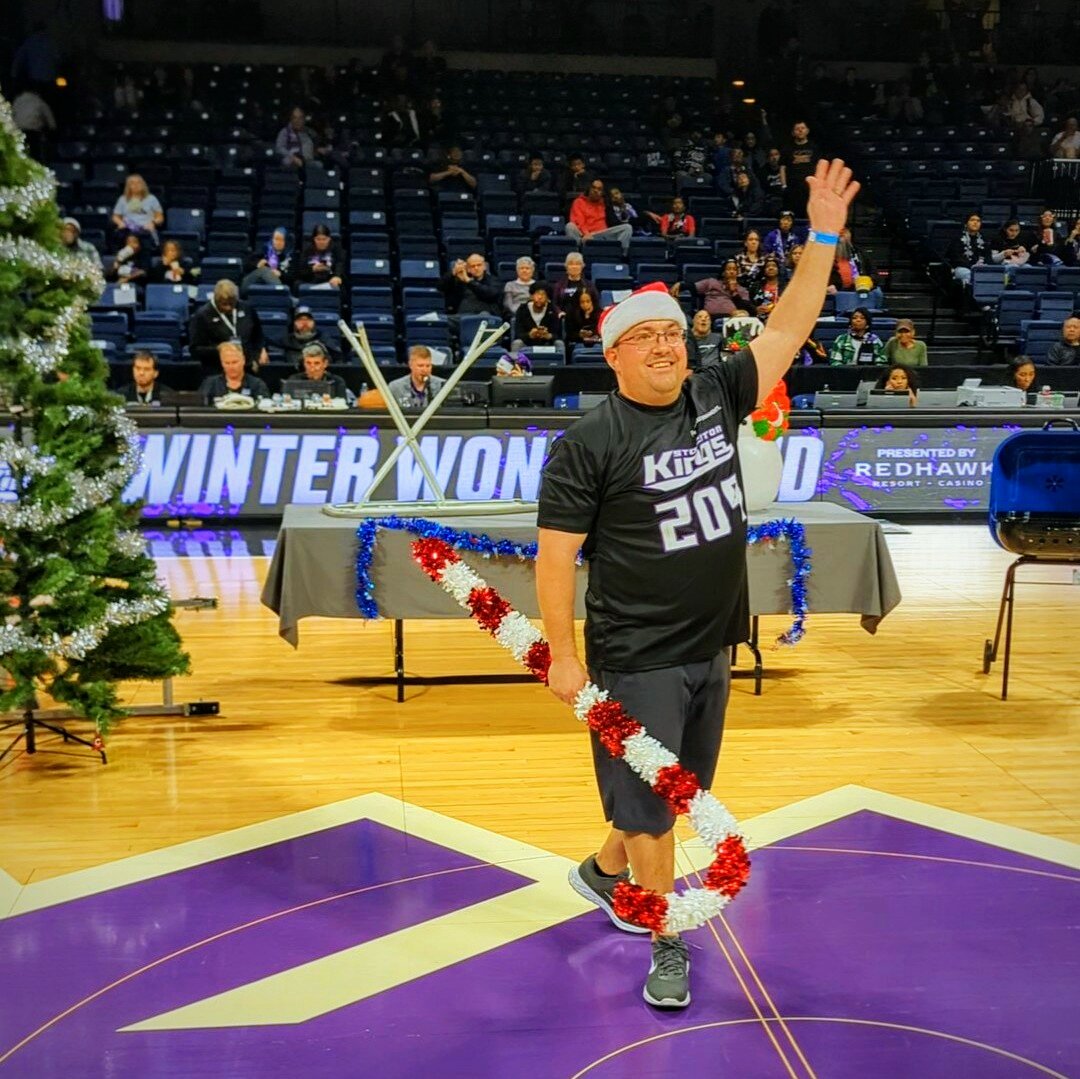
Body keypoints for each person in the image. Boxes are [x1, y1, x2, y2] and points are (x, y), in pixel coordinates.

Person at [536, 158, 860, 1010]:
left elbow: (789, 326)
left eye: (673, 332)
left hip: (710, 643)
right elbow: (555, 555)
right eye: (644, 337)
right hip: (633, 653)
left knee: (664, 793)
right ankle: (663, 933)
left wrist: (821, 233)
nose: (665, 345)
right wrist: (561, 658)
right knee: (657, 810)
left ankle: (602, 870)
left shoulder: (716, 392)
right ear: (612, 355)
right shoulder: (588, 443)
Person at [189, 280, 268, 372]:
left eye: (232, 304)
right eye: (224, 304)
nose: (228, 307)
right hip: (217, 370)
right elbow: (195, 350)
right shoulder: (202, 315)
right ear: (216, 299)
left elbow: (258, 335)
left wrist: (260, 350)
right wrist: (218, 349)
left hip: (247, 367)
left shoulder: (247, 308)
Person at [566, 179, 633, 255]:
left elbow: (613, 221)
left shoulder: (605, 203)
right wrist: (586, 234)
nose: (595, 191)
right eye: (593, 187)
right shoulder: (578, 202)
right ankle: (576, 256)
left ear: (602, 192)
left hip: (601, 234)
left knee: (627, 228)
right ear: (589, 189)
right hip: (584, 235)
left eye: (599, 189)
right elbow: (579, 220)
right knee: (570, 226)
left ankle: (620, 256)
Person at [199, 341, 271, 404]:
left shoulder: (257, 385)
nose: (231, 367)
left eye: (234, 362)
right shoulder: (210, 384)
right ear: (222, 363)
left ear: (243, 360)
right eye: (227, 363)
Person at [111, 174, 164, 246]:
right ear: (128, 186)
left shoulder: (152, 199)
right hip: (128, 228)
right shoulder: (122, 199)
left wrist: (153, 223)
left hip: (145, 228)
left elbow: (160, 217)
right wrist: (120, 223)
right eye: (132, 183)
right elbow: (115, 217)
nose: (136, 185)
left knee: (145, 240)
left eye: (138, 182)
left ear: (143, 184)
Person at [241, 228, 294, 293]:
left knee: (267, 272)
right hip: (252, 285)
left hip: (271, 289)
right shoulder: (263, 251)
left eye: (281, 240)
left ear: (286, 242)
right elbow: (245, 266)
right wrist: (257, 265)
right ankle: (280, 294)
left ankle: (280, 293)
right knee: (265, 270)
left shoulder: (291, 257)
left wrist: (281, 275)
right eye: (276, 239)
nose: (278, 242)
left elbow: (293, 278)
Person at [512, 282, 560, 350]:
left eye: (543, 294)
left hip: (547, 344)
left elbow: (558, 334)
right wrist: (529, 335)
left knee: (559, 343)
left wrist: (548, 335)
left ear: (547, 298)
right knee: (517, 343)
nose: (540, 297)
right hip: (527, 343)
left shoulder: (552, 310)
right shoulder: (522, 309)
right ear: (531, 296)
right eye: (537, 294)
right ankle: (516, 360)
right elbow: (518, 334)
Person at [946, 213, 989, 288]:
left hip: (981, 268)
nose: (975, 222)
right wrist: (972, 266)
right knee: (970, 275)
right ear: (966, 224)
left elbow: (988, 257)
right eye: (972, 220)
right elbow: (955, 257)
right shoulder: (957, 238)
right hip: (962, 268)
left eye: (978, 221)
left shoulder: (984, 239)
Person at [297, 224, 344, 289]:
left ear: (329, 239)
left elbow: (339, 264)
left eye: (324, 239)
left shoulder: (335, 249)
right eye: (318, 239)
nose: (321, 242)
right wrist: (312, 269)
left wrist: (336, 276)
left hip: (330, 280)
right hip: (311, 280)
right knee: (297, 284)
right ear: (314, 239)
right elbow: (301, 271)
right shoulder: (307, 250)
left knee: (341, 285)